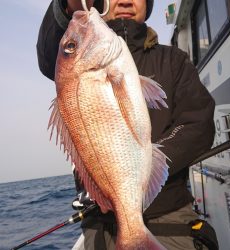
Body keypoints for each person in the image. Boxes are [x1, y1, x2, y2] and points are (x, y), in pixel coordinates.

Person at [37, 0, 218, 249]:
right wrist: (66, 6)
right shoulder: (77, 67)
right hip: (99, 226)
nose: (125, 1)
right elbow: (50, 56)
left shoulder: (173, 59)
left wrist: (155, 161)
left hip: (170, 218)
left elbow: (200, 125)